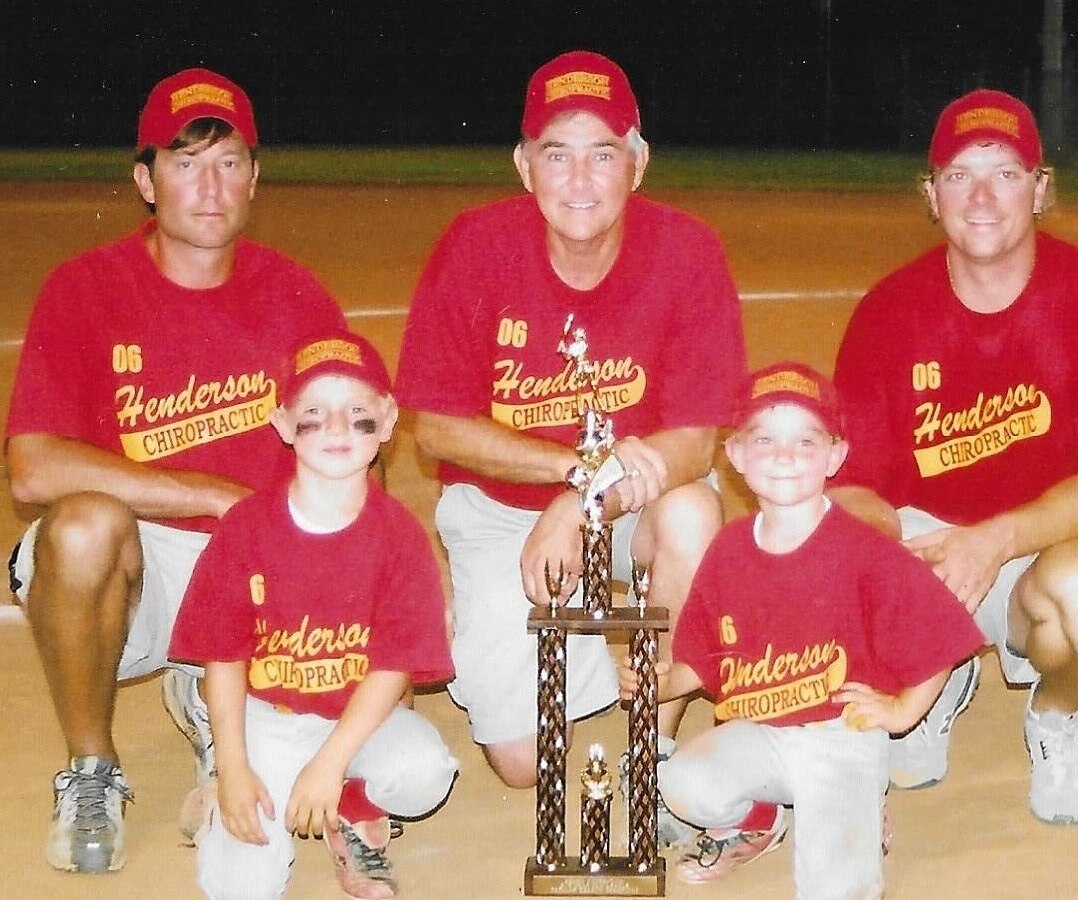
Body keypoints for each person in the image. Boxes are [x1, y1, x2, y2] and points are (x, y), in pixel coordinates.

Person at [5, 67, 347, 874]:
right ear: (144, 178)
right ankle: (92, 768)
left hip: (251, 567)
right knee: (84, 526)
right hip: (140, 568)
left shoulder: (295, 297)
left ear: (256, 178)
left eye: (229, 162)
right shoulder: (86, 289)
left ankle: (208, 699)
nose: (209, 185)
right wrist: (209, 495)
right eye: (185, 162)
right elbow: (31, 468)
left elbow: (348, 447)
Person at [394, 49, 747, 818]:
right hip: (499, 509)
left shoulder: (688, 251)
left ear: (638, 162)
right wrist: (575, 473)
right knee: (522, 764)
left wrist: (582, 499)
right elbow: (436, 429)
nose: (580, 180)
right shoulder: (475, 246)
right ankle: (539, 627)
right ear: (524, 166)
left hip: (635, 504)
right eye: (557, 155)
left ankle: (653, 727)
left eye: (602, 153)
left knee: (694, 514)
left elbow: (692, 444)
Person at [831, 88, 1078, 826]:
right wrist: (891, 570)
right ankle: (938, 673)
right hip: (926, 544)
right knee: (825, 556)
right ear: (931, 196)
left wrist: (993, 542)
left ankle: (1054, 715)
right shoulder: (888, 311)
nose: (982, 195)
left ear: (1041, 187)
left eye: (1006, 172)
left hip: (1040, 544)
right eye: (959, 174)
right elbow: (856, 488)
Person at [618, 361, 983, 897]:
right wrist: (657, 683)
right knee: (681, 785)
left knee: (833, 890)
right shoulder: (728, 550)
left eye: (806, 442)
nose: (784, 456)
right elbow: (701, 660)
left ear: (836, 455)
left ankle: (859, 801)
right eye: (763, 439)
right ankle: (762, 818)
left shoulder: (863, 550)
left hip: (840, 736)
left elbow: (942, 637)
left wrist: (903, 712)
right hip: (762, 728)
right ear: (736, 455)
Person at [168, 329, 458, 900]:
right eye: (313, 414)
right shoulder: (246, 529)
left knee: (425, 773)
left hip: (354, 717)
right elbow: (222, 655)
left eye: (357, 414)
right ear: (281, 425)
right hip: (266, 718)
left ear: (388, 419)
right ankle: (211, 800)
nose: (336, 430)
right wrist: (232, 768)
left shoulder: (399, 538)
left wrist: (330, 766)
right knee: (242, 890)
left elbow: (394, 666)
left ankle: (351, 805)